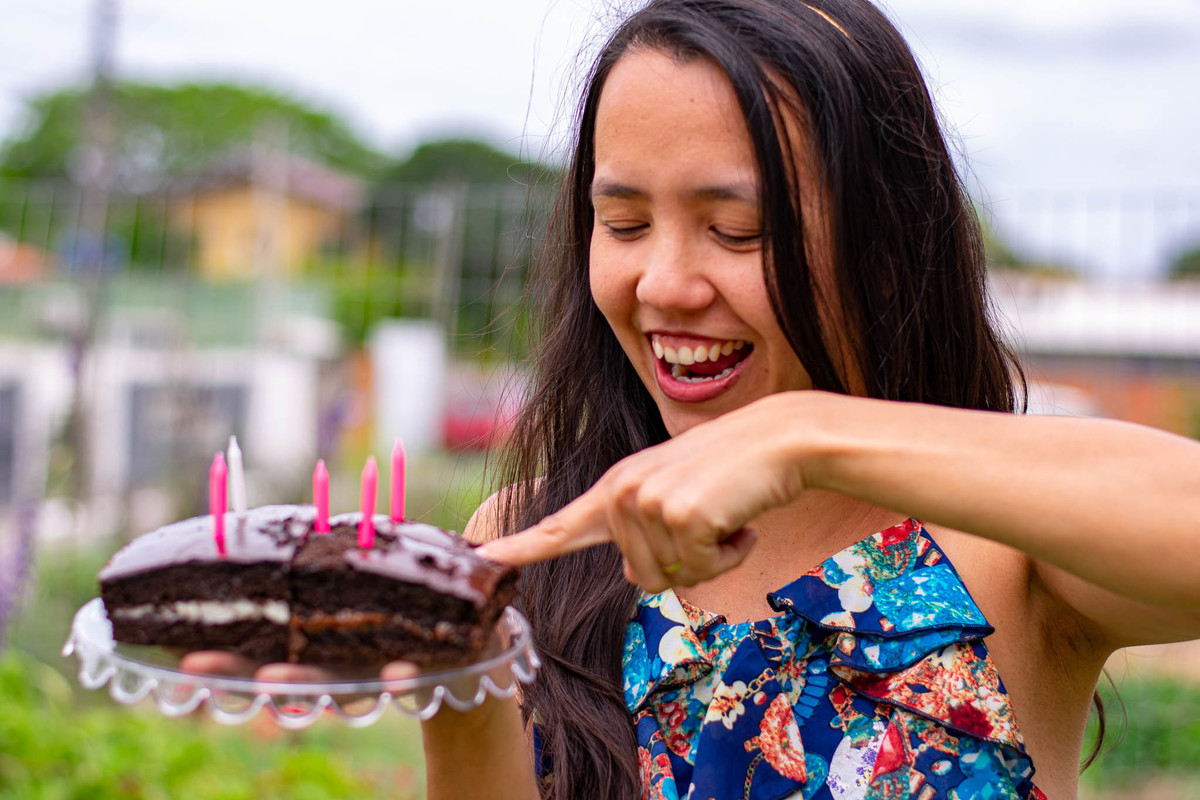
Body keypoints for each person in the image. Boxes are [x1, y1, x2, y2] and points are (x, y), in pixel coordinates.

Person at [188, 1, 1200, 798]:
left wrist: (807, 432)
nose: (664, 284)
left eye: (738, 229)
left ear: (888, 254)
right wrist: (464, 689)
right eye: (623, 222)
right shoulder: (536, 541)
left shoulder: (1003, 548)